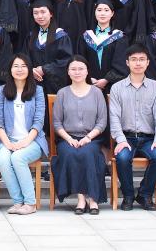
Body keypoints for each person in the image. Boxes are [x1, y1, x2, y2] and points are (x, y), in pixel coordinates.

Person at [109, 44, 156, 211]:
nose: (138, 63)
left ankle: (144, 194)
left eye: (142, 59)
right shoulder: (117, 87)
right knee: (122, 158)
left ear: (148, 62)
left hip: (148, 138)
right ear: (127, 63)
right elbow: (114, 117)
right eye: (134, 59)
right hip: (126, 137)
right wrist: (120, 140)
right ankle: (128, 196)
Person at [51, 56, 108, 214]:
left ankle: (93, 199)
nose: (77, 72)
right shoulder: (62, 93)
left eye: (81, 69)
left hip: (92, 138)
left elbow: (102, 122)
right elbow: (57, 123)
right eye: (73, 69)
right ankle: (81, 198)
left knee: (87, 153)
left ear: (87, 71)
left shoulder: (97, 93)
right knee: (70, 153)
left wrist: (88, 138)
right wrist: (69, 139)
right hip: (67, 138)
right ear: (68, 72)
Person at [0, 54, 48, 215]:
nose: (20, 69)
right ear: (10, 69)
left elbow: (38, 121)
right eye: (16, 66)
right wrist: (8, 144)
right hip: (8, 140)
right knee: (3, 160)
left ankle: (30, 203)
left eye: (24, 66)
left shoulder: (38, 91)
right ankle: (18, 202)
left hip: (33, 141)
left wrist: (24, 142)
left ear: (29, 69)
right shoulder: (2, 91)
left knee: (18, 158)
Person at [79, 0, 130, 94]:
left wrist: (106, 79)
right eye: (99, 10)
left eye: (106, 10)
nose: (102, 13)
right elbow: (80, 60)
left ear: (112, 13)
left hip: (112, 88)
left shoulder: (119, 37)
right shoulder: (86, 36)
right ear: (95, 12)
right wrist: (89, 78)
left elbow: (121, 64)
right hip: (88, 85)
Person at [23, 0, 73, 95]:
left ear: (51, 14)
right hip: (34, 84)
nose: (39, 16)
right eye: (35, 13)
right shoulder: (31, 36)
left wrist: (44, 69)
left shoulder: (61, 36)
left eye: (43, 12)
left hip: (55, 86)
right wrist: (30, 69)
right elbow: (25, 57)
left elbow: (66, 61)